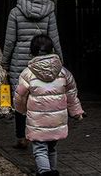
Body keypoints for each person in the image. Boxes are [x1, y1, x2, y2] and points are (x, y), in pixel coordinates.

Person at [2, 0, 62, 148]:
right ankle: (40, 134)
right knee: (41, 99)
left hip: (19, 64)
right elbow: (54, 39)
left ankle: (22, 138)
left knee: (21, 101)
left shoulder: (15, 12)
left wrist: (4, 63)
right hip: (43, 62)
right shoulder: (49, 12)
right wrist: (60, 61)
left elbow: (9, 41)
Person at [13, 34, 83, 176]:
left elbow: (20, 97)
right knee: (51, 147)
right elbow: (71, 93)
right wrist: (76, 111)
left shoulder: (27, 74)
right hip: (57, 119)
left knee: (39, 148)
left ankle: (45, 172)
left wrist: (20, 111)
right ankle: (52, 170)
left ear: (32, 53)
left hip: (37, 120)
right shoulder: (63, 72)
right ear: (52, 51)